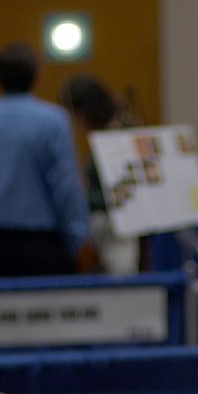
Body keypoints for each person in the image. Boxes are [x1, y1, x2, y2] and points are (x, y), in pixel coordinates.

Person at [0, 41, 89, 277]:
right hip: (44, 243)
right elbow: (66, 185)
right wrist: (76, 238)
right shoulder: (54, 120)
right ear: (36, 76)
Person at [60, 73, 141, 275]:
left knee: (121, 274)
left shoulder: (115, 138)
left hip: (114, 225)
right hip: (102, 226)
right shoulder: (102, 136)